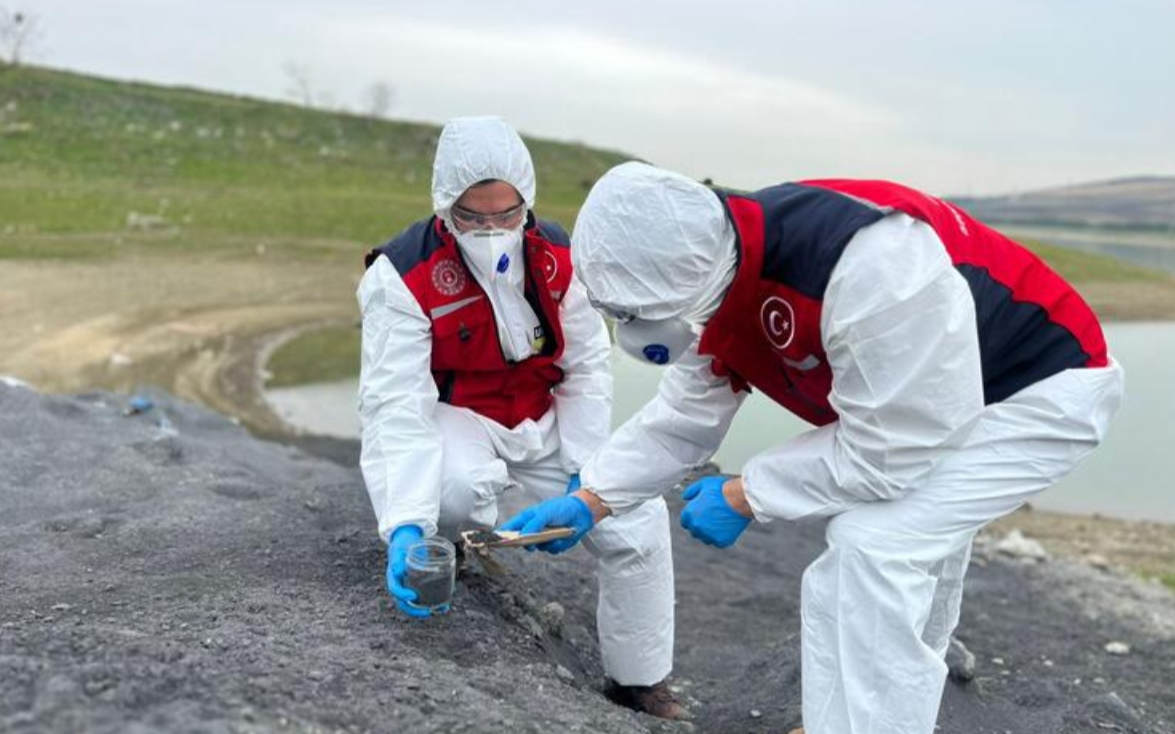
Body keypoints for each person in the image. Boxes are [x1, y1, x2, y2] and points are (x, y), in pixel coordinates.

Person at [501, 161, 1124, 734]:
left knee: (875, 544)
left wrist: (749, 492)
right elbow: (683, 417)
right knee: (906, 542)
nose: (636, 333)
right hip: (942, 404)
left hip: (1037, 391)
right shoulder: (714, 277)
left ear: (679, 281)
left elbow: (893, 450)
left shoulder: (868, 269)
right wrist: (592, 497)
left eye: (638, 314)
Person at [356, 121, 686, 720]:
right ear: (444, 207)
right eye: (473, 218)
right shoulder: (401, 278)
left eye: (505, 216)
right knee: (450, 494)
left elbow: (587, 368)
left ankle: (638, 681)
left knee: (638, 520)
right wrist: (405, 522)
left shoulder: (561, 260)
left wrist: (586, 480)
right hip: (461, 416)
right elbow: (395, 403)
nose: (491, 232)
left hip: (547, 416)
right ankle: (444, 541)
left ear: (525, 204)